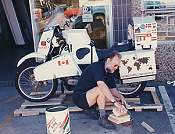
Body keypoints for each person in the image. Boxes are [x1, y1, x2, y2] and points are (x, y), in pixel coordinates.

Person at [73, 50, 128, 129]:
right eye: (115, 65)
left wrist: (120, 96)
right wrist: (114, 102)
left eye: (117, 66)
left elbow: (113, 89)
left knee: (117, 99)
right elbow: (101, 86)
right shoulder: (97, 67)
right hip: (80, 98)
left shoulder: (109, 72)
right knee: (101, 90)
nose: (116, 68)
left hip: (91, 97)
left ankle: (91, 108)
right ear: (108, 60)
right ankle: (102, 117)